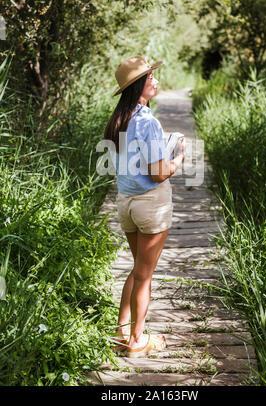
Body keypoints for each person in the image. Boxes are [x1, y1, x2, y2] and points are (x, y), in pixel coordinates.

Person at [103, 56, 185, 358]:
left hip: (126, 203)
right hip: (151, 204)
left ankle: (122, 332)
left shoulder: (119, 119)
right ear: (139, 84)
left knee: (137, 269)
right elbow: (157, 173)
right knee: (144, 275)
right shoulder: (147, 120)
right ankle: (137, 341)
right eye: (150, 76)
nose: (155, 79)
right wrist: (179, 158)